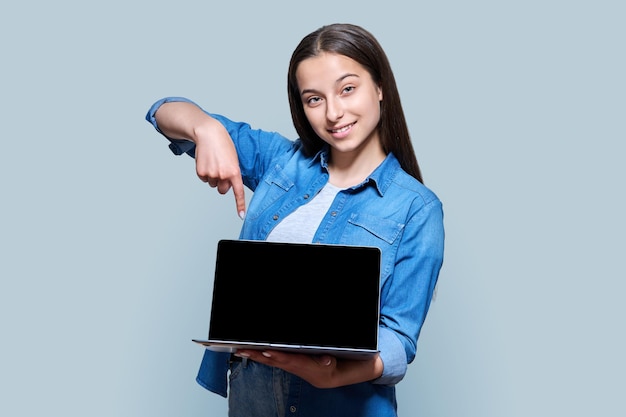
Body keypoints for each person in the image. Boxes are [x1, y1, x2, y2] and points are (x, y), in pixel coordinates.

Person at [146, 23, 444, 417]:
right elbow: (162, 110)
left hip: (340, 404)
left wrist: (332, 375)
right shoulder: (279, 162)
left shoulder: (417, 208)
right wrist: (207, 128)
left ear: (380, 87)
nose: (334, 112)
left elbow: (399, 340)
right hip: (253, 397)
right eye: (314, 99)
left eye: (348, 89)